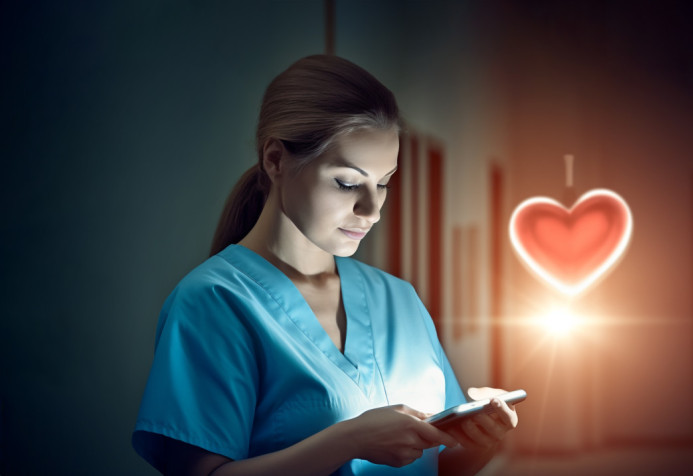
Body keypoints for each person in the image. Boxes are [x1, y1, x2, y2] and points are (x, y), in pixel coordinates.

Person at [132, 55, 518, 476]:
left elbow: (438, 466)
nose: (371, 209)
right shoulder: (214, 302)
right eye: (348, 183)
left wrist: (481, 441)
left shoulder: (398, 299)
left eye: (383, 183)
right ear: (276, 160)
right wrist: (350, 440)